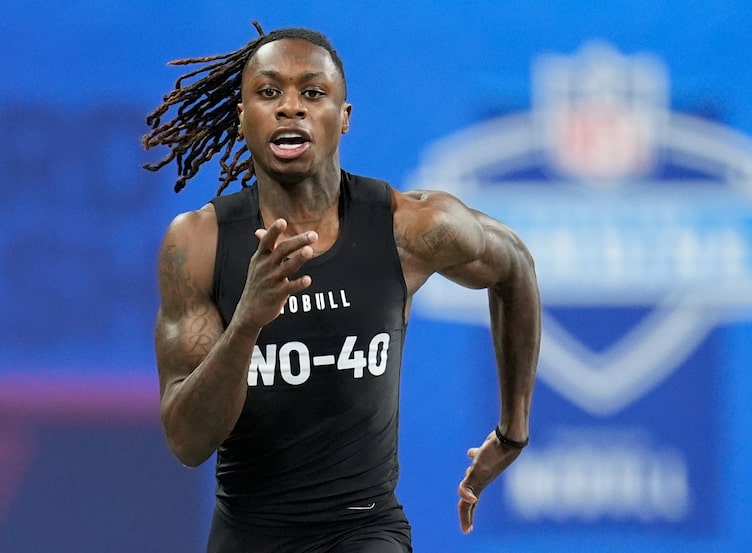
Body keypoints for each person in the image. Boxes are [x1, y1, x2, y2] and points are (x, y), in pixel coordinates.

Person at [143, 22, 540, 553]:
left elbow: (514, 264)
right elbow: (187, 442)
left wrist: (513, 430)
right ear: (242, 118)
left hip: (364, 528)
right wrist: (246, 323)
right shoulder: (198, 245)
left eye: (312, 92)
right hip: (247, 532)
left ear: (343, 117)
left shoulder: (409, 228)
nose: (290, 107)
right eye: (268, 92)